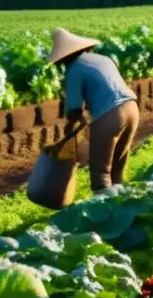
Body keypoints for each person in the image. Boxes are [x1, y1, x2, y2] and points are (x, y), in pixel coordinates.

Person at [48, 28, 140, 192]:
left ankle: (103, 211)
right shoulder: (104, 59)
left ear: (65, 57)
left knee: (101, 171)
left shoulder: (74, 69)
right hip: (132, 109)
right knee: (117, 165)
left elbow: (74, 109)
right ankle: (121, 203)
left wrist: (69, 129)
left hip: (111, 116)